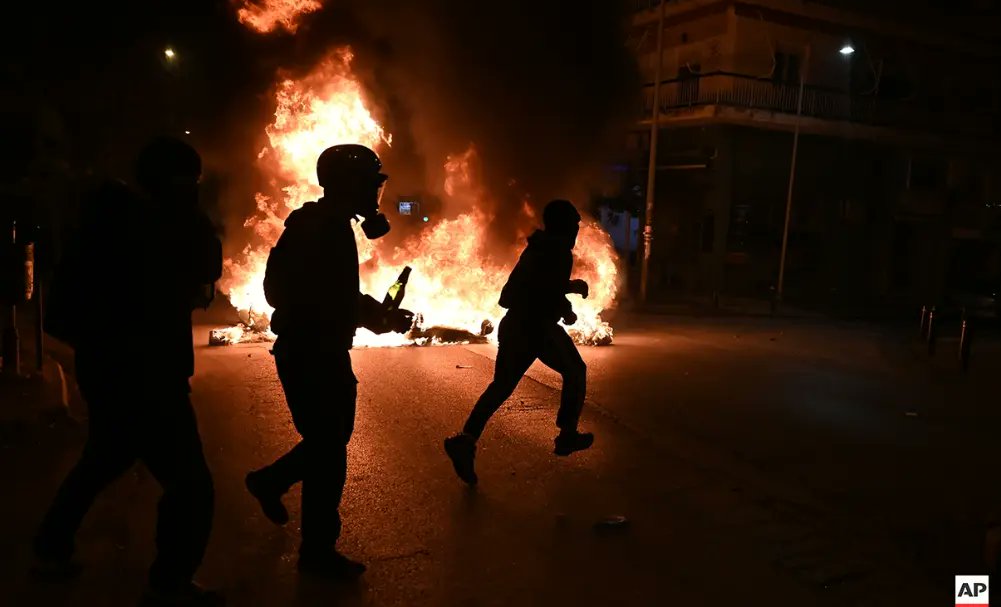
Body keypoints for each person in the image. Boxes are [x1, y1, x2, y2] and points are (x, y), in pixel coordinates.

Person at [34, 136, 223, 606]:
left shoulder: (107, 222)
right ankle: (168, 585)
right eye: (189, 181)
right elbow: (202, 268)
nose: (193, 190)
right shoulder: (156, 227)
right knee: (191, 486)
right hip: (148, 375)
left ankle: (49, 549)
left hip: (108, 370)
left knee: (105, 458)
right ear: (175, 182)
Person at [245, 144, 413, 579]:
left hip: (320, 350)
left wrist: (377, 315)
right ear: (348, 184)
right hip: (311, 353)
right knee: (329, 451)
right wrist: (374, 317)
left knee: (328, 443)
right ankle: (316, 550)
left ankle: (272, 484)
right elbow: (298, 294)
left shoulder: (327, 225)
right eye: (371, 184)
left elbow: (336, 294)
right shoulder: (321, 229)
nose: (376, 194)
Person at [444, 199, 593, 485]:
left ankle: (466, 440)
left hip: (516, 327)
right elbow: (536, 291)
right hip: (535, 327)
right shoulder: (558, 250)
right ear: (563, 225)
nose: (576, 229)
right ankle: (567, 435)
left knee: (501, 387)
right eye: (574, 224)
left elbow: (527, 289)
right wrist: (568, 292)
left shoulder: (538, 248)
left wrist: (564, 301)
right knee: (575, 371)